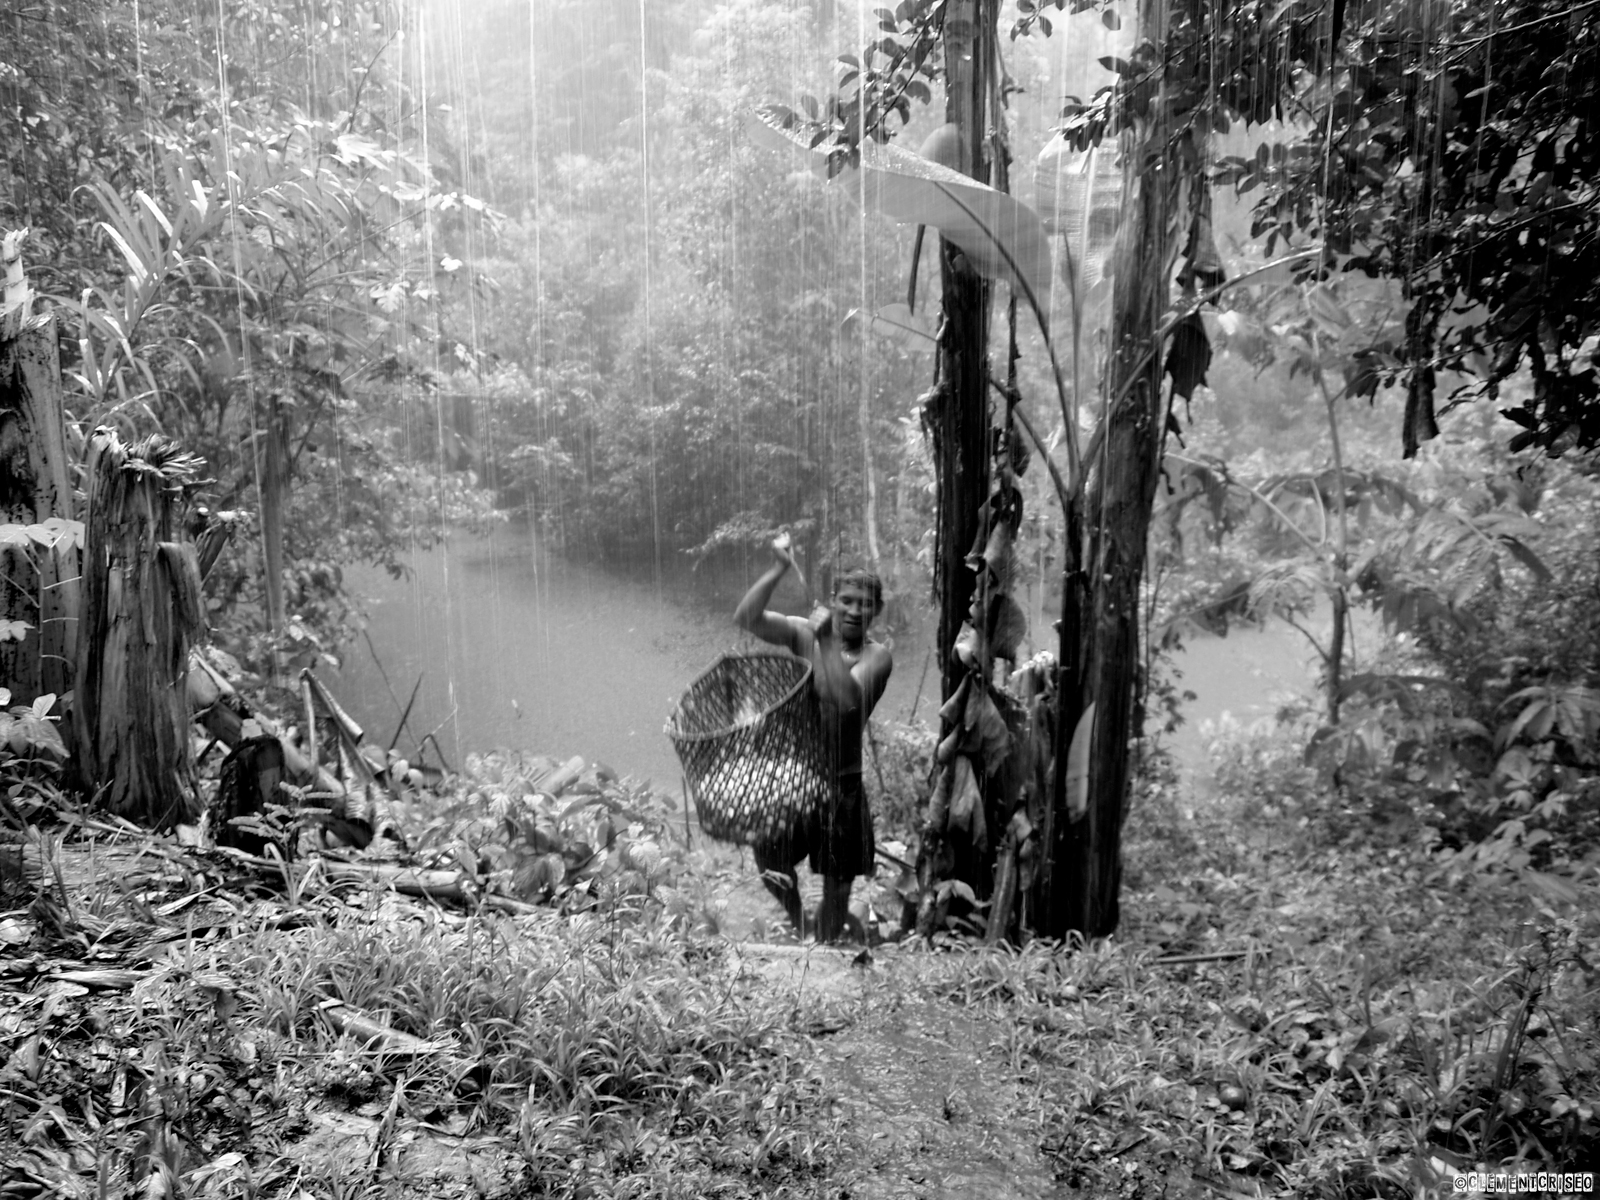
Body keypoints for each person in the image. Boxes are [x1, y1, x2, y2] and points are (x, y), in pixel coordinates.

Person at [733, 534, 892, 942]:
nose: (855, 610)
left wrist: (825, 642)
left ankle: (822, 948)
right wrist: (778, 569)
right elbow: (747, 618)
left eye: (865, 603)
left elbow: (843, 700)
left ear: (877, 610)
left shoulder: (877, 657)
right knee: (770, 864)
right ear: (834, 600)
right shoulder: (802, 632)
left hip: (842, 786)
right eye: (847, 600)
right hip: (795, 781)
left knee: (838, 889)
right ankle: (799, 918)